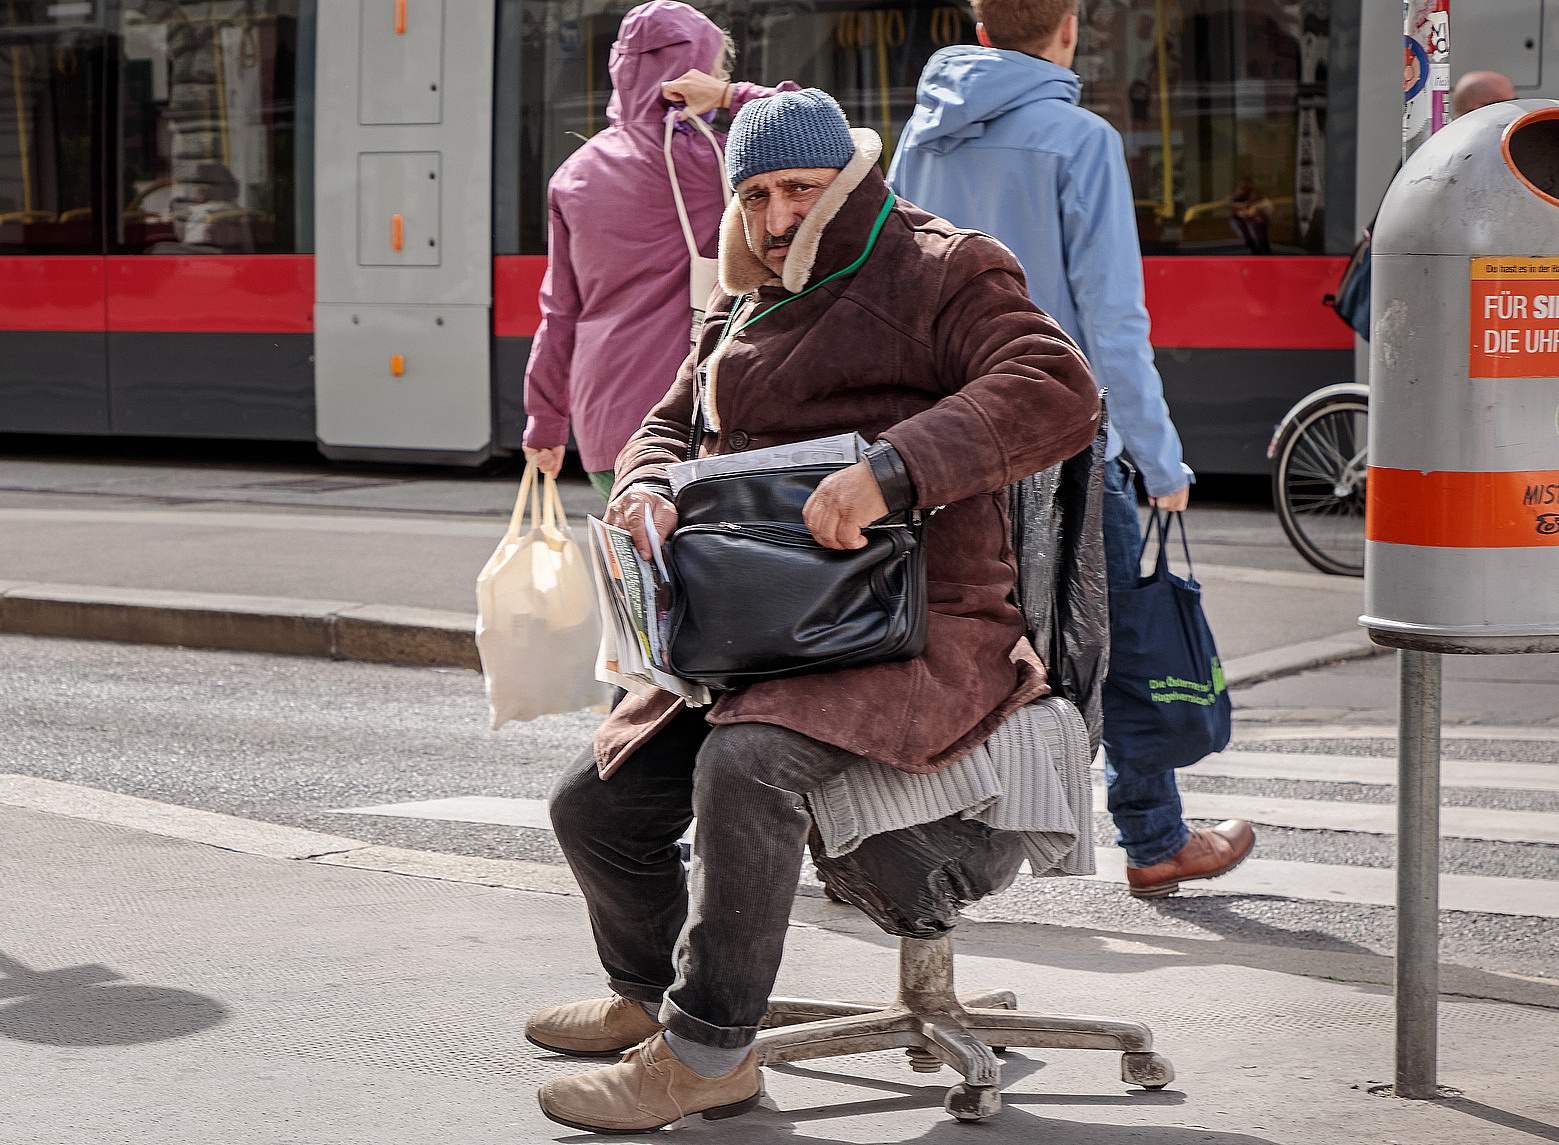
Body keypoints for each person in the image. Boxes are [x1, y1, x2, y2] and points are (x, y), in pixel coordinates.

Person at [528, 88, 1101, 1133]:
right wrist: (645, 484)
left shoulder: (943, 266)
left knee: (744, 763)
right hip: (763, 622)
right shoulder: (742, 294)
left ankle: (707, 1051)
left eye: (799, 188)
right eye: (755, 195)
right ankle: (649, 997)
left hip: (922, 622)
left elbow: (1055, 384)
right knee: (595, 802)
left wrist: (893, 469)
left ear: (847, 177)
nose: (778, 215)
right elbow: (667, 416)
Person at [888, 0, 1254, 900]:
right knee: (1121, 637)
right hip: (1066, 442)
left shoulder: (918, 142)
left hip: (951, 445)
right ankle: (1154, 836)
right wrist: (1160, 461)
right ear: (1070, 27)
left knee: (955, 637)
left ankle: (928, 847)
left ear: (979, 30)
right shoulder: (1079, 139)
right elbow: (1112, 324)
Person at [520, 1, 796, 499]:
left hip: (607, 418)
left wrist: (544, 422)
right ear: (699, 73)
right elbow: (811, 126)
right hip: (706, 412)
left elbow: (559, 311)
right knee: (718, 571)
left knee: (638, 569)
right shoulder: (721, 157)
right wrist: (733, 97)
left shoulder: (575, 174)